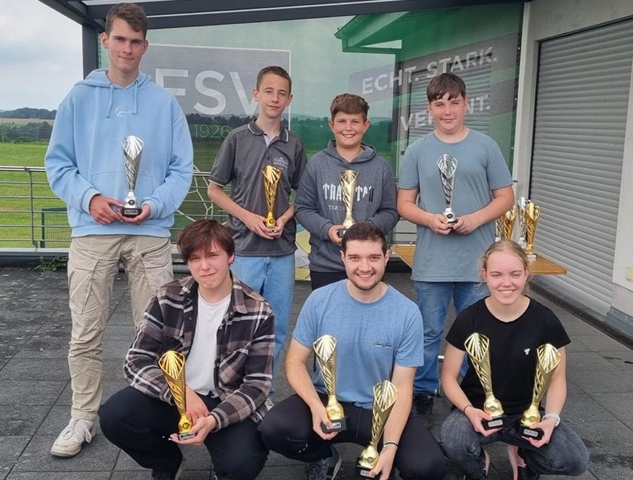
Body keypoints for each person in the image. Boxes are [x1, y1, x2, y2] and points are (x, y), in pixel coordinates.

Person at [44, 3, 193, 457]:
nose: (127, 49)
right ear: (105, 40)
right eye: (120, 39)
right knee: (85, 331)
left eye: (136, 42)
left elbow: (181, 169)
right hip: (92, 231)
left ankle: (159, 412)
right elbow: (58, 165)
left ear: (145, 46)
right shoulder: (78, 98)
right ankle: (82, 418)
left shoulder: (164, 103)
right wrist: (90, 198)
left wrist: (153, 204)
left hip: (151, 232)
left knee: (159, 335)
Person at [260, 223, 446, 480]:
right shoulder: (319, 300)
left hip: (381, 408)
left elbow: (403, 386)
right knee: (275, 429)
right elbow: (294, 362)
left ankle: (380, 457)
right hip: (328, 402)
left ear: (386, 257)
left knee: (428, 466)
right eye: (355, 258)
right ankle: (322, 455)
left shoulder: (407, 312)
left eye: (373, 257)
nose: (365, 267)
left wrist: (390, 447)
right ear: (343, 258)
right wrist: (315, 406)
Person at [99, 219, 275, 480]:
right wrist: (181, 394)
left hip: (225, 399)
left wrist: (214, 419)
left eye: (213, 255)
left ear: (231, 256)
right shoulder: (167, 297)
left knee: (243, 463)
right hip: (176, 394)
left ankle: (224, 464)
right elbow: (136, 360)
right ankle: (167, 462)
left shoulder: (258, 310)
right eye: (195, 258)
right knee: (115, 416)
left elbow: (257, 385)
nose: (204, 266)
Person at [396, 72, 514, 415]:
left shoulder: (486, 146)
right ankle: (423, 389)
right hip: (432, 261)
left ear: (466, 105)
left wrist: (475, 219)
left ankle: (467, 391)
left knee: (474, 333)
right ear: (429, 108)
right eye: (439, 104)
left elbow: (505, 197)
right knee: (428, 331)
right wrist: (429, 219)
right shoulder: (417, 151)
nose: (447, 111)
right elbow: (404, 204)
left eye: (454, 102)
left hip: (476, 261)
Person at [440, 240, 590, 480]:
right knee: (454, 441)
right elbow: (448, 377)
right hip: (479, 410)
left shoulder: (545, 320)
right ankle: (479, 463)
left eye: (515, 274)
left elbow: (557, 379)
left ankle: (524, 455)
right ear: (484, 275)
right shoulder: (469, 319)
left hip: (526, 415)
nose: (506, 283)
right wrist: (469, 410)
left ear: (526, 274)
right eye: (497, 274)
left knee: (574, 460)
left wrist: (551, 419)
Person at [207, 65, 306, 389]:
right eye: (269, 91)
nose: (275, 98)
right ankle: (232, 391)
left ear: (289, 99)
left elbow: (304, 197)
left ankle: (265, 393)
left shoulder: (294, 144)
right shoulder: (237, 138)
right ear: (256, 94)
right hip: (244, 250)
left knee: (276, 329)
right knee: (237, 326)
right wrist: (248, 217)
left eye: (281, 93)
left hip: (281, 252)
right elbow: (214, 190)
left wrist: (285, 218)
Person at [295, 93, 399, 290]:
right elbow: (303, 208)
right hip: (326, 265)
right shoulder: (316, 165)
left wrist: (367, 230)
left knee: (367, 311)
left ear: (366, 125)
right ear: (331, 125)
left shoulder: (381, 168)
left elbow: (391, 211)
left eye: (355, 121)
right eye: (342, 121)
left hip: (367, 266)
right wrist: (326, 229)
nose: (348, 128)